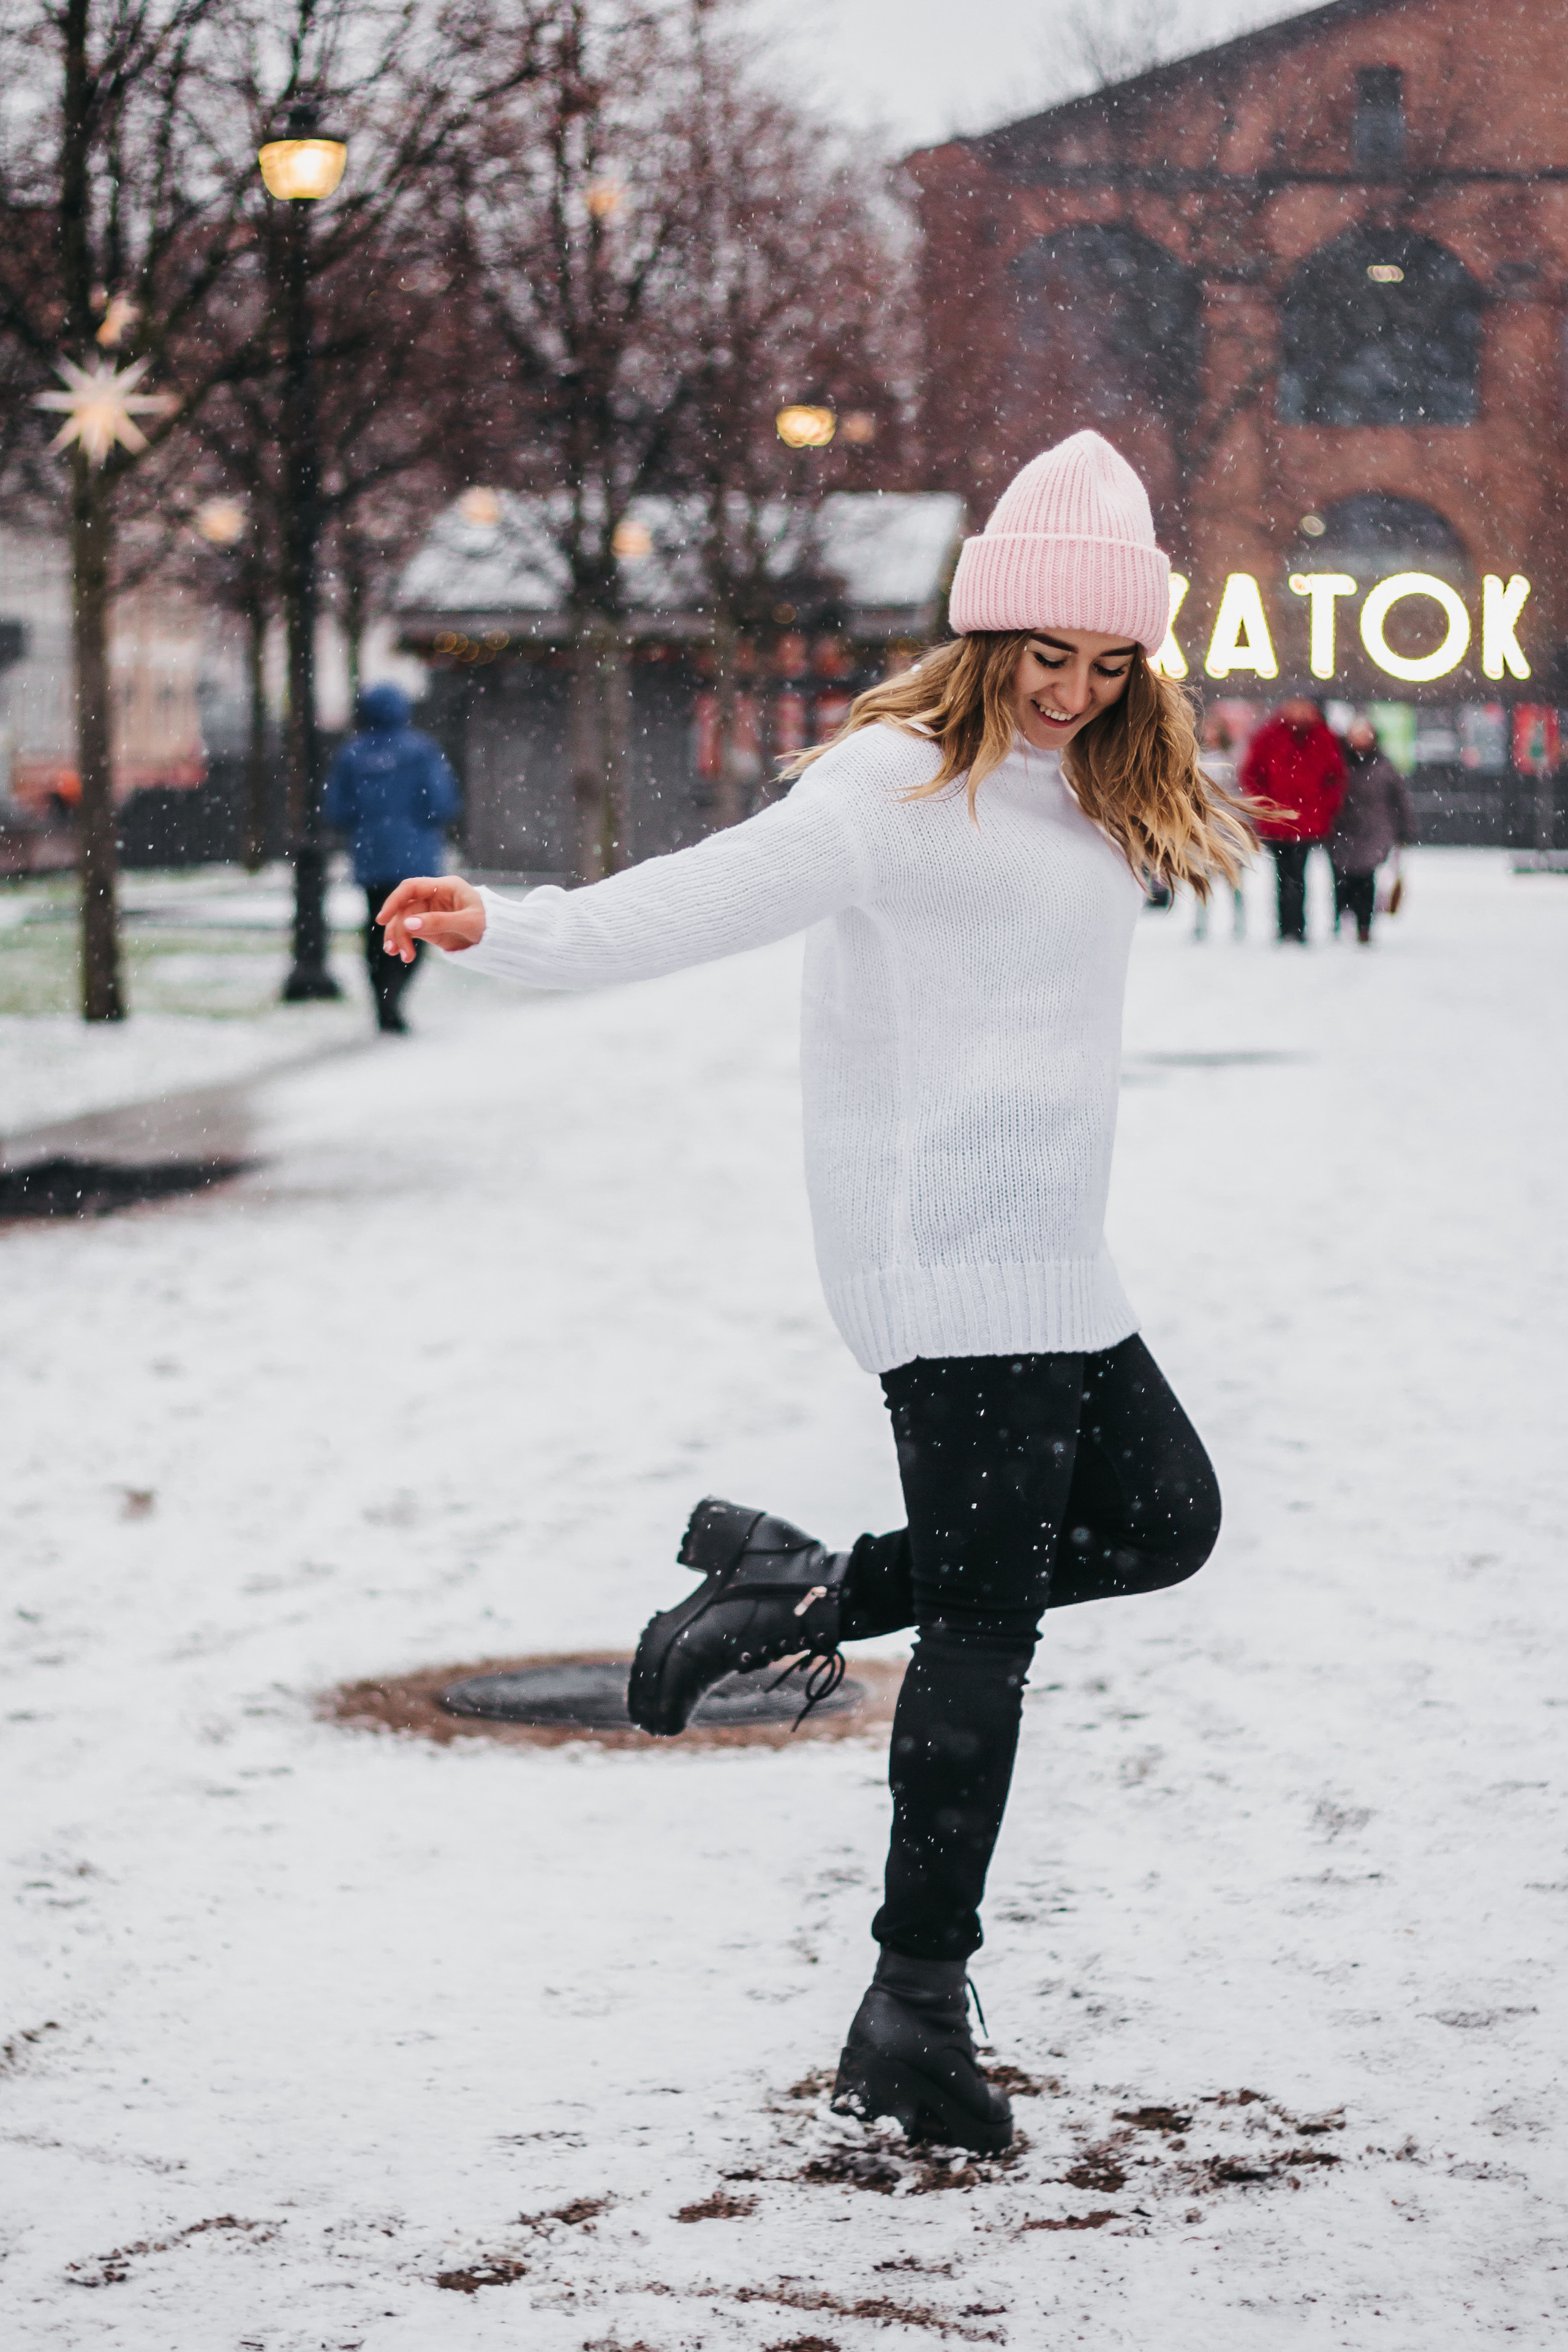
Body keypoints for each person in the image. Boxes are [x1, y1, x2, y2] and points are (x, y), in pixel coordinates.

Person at [379, 432, 1251, 2155]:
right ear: (983, 631)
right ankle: (911, 2011)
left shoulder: (1088, 784)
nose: (1072, 689)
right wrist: (511, 926)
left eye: (1107, 661)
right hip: (944, 1264)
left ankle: (798, 1590)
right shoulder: (887, 786)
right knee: (984, 1642)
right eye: (1046, 652)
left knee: (1167, 1518)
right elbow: (689, 904)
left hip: (1061, 1258)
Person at [323, 682, 458, 1033]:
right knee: (417, 928)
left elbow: (338, 809)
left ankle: (382, 998)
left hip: (372, 857)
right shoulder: (421, 751)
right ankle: (396, 994)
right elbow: (441, 803)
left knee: (377, 927)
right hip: (416, 859)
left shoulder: (352, 754)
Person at [1238, 696, 1346, 943]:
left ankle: (1296, 927)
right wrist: (1264, 806)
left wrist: (1324, 808)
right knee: (1284, 875)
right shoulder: (1269, 737)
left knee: (1297, 875)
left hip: (1306, 820)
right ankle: (1286, 926)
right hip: (1278, 820)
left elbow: (1335, 778)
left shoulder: (1323, 738)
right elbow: (1252, 774)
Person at [1329, 715, 1415, 944]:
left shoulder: (1384, 766)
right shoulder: (1338, 761)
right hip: (1343, 829)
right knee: (1342, 878)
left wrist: (1405, 829)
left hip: (1374, 831)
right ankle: (1342, 917)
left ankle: (1364, 924)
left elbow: (1400, 799)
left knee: (1365, 878)